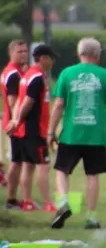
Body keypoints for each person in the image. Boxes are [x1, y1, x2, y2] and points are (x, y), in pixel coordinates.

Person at [48, 38, 106, 229]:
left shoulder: (67, 73)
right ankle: (91, 217)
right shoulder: (105, 75)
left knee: (61, 170)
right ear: (97, 56)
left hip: (71, 134)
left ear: (79, 53)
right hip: (96, 135)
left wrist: (51, 131)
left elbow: (58, 104)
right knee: (92, 175)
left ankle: (64, 202)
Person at [6, 44, 57, 212]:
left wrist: (16, 121)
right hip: (35, 129)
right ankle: (48, 202)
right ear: (43, 58)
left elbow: (20, 101)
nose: (53, 61)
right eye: (51, 58)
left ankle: (27, 201)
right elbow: (28, 101)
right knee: (43, 166)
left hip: (25, 129)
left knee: (28, 165)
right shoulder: (36, 77)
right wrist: (17, 120)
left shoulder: (27, 75)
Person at [1, 40, 28, 209]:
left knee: (18, 161)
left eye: (25, 51)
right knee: (18, 161)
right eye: (20, 52)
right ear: (11, 53)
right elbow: (13, 101)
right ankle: (12, 199)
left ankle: (13, 198)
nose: (24, 54)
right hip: (15, 124)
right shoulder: (13, 74)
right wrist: (16, 120)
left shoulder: (14, 71)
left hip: (13, 122)